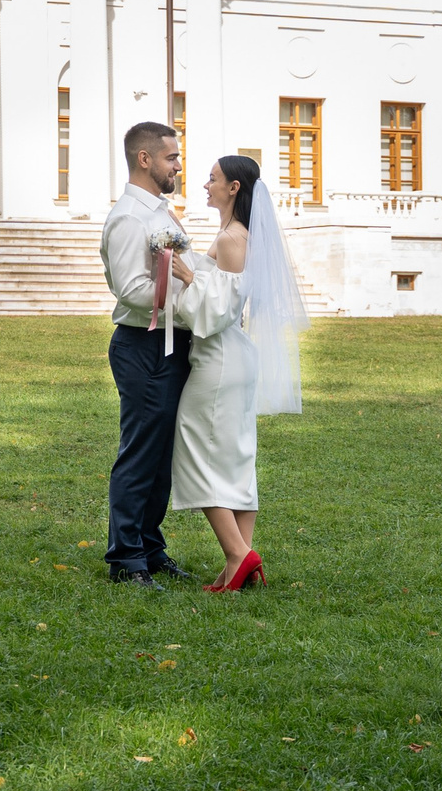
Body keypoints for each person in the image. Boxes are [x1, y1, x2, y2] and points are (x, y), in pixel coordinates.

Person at [166, 154, 308, 591]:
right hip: (235, 357)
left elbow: (220, 313)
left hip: (220, 358)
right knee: (235, 458)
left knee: (195, 450)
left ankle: (239, 554)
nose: (205, 185)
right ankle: (236, 570)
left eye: (213, 179)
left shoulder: (232, 239)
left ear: (234, 188)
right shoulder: (236, 235)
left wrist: (188, 278)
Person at [98, 120, 198, 589]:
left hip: (172, 342)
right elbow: (132, 289)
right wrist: (192, 297)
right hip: (143, 344)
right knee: (140, 452)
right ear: (145, 159)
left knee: (161, 456)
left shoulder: (161, 212)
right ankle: (126, 558)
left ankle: (151, 549)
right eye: (171, 157)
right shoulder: (128, 218)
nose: (178, 165)